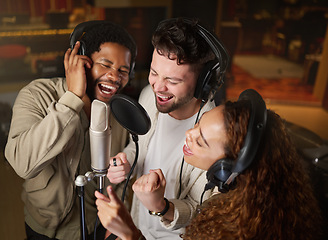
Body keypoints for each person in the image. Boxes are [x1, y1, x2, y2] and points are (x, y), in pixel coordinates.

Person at [96, 89, 322, 240]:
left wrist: (131, 234)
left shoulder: (243, 229)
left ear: (226, 168)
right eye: (198, 125)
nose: (188, 134)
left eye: (201, 140)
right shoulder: (242, 198)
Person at [4, 20, 137, 240]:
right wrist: (73, 98)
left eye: (123, 70)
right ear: (82, 61)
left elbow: (120, 177)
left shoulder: (120, 113)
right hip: (45, 229)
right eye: (105, 64)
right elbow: (23, 164)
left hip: (98, 228)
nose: (114, 77)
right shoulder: (36, 94)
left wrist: (115, 225)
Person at [106, 17, 229, 239]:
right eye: (154, 73)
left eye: (172, 81)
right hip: (136, 228)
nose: (158, 87)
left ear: (203, 82)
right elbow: (140, 149)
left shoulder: (214, 137)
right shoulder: (148, 96)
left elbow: (200, 210)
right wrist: (125, 162)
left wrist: (161, 206)